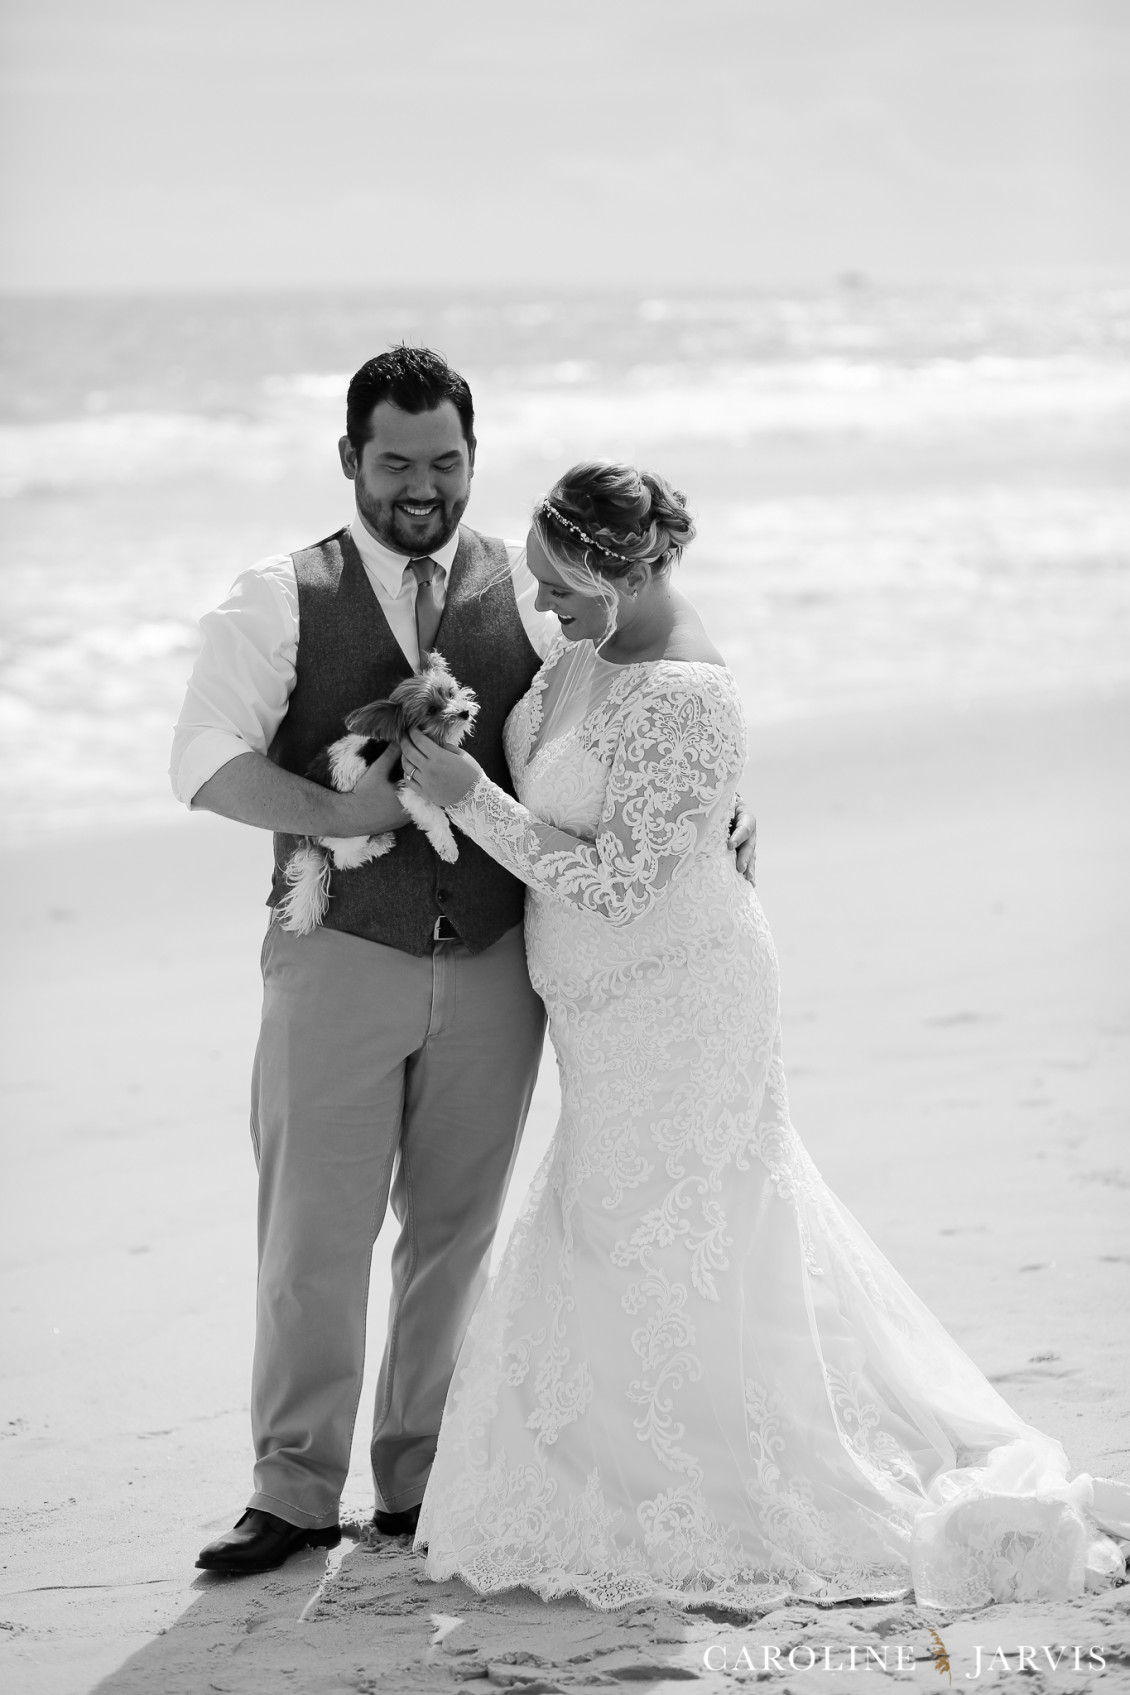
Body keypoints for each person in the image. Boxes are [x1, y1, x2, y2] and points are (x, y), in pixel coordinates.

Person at [402, 459, 1130, 1610]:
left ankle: (713, 1474)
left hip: (682, 999)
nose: (543, 609)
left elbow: (624, 881)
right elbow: (621, 792)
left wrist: (466, 800)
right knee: (619, 1229)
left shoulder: (687, 690)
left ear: (625, 566)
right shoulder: (594, 652)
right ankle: (626, 1455)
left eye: (559, 586)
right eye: (538, 584)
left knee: (680, 1228)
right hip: (602, 1017)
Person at [170, 345, 759, 1577]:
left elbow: (624, 723)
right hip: (337, 952)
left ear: (472, 460)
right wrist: (346, 819)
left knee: (452, 1232)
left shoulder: (529, 588)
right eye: (395, 462)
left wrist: (723, 811)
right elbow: (206, 761)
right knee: (312, 1234)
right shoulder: (278, 593)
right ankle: (290, 1486)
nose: (422, 486)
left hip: (497, 963)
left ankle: (416, 1477)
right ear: (350, 461)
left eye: (444, 461)